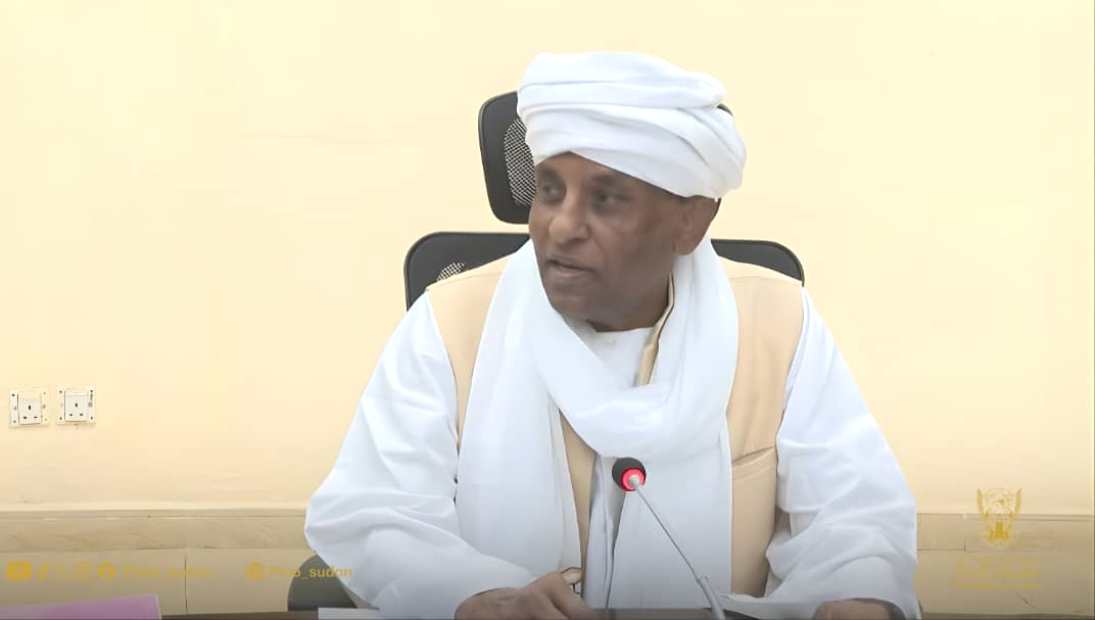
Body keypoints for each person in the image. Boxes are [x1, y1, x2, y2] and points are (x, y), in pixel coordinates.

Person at [305, 52, 919, 620]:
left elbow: (854, 514)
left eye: (605, 200)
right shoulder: (451, 320)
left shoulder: (777, 322)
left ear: (691, 219)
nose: (562, 227)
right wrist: (474, 596)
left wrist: (857, 595)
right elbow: (371, 515)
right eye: (550, 191)